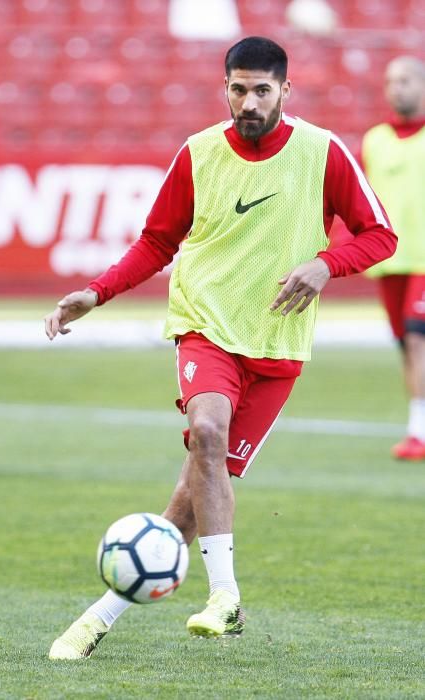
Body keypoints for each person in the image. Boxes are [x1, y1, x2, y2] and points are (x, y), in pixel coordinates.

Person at [44, 36, 397, 659]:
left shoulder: (322, 152)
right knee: (207, 433)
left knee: (191, 501)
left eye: (263, 90)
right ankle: (225, 597)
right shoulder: (199, 153)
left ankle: (98, 619)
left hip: (278, 345)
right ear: (224, 88)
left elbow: (379, 236)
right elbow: (157, 242)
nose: (250, 102)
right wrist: (95, 294)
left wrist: (324, 263)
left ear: (286, 91)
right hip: (205, 326)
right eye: (239, 89)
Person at [361, 56, 425, 460]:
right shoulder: (375, 140)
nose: (396, 88)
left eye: (404, 80)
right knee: (407, 345)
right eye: (390, 81)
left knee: (418, 338)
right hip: (390, 260)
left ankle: (417, 432)